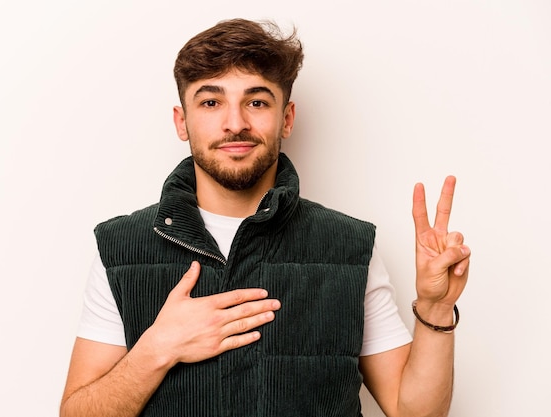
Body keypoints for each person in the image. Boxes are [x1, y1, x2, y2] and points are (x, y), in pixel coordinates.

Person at [60, 18, 470, 417]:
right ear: (181, 121)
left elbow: (414, 412)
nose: (235, 123)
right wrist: (155, 349)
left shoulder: (349, 247)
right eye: (210, 101)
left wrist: (436, 309)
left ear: (286, 118)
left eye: (256, 102)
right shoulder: (121, 247)